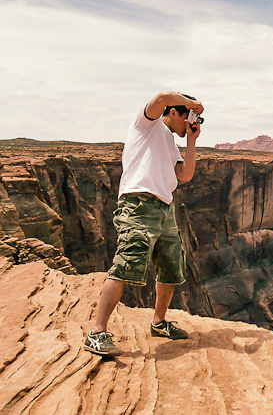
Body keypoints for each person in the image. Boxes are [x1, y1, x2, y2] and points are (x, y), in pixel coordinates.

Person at [84, 91, 204, 357]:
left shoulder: (172, 144)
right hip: (137, 205)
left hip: (164, 207)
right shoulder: (145, 124)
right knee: (127, 262)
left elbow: (185, 175)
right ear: (174, 113)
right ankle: (97, 332)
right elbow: (162, 97)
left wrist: (192, 141)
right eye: (188, 117)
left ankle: (159, 323)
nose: (191, 122)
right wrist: (193, 103)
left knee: (172, 267)